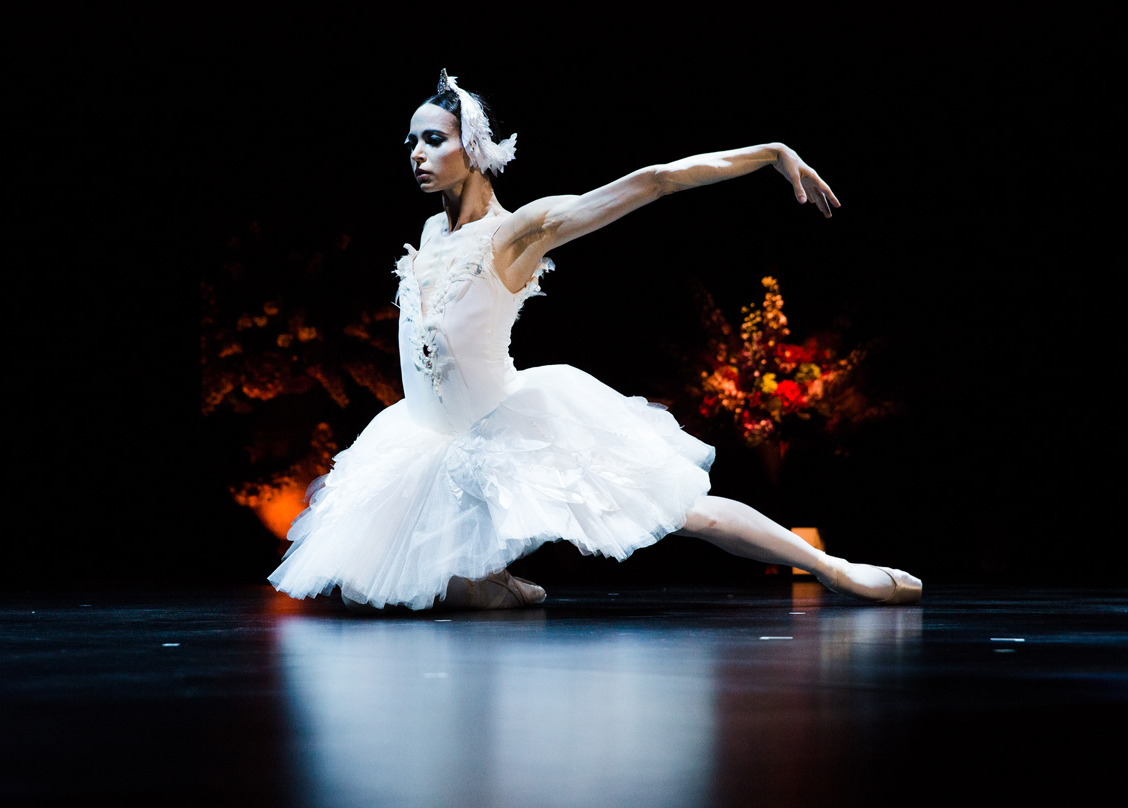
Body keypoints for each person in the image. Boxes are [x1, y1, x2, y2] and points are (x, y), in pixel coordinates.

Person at [268, 70, 921, 611]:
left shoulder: (518, 231)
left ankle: (832, 566)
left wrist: (768, 153)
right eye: (410, 139)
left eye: (433, 140)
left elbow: (656, 180)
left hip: (507, 426)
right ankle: (500, 587)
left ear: (472, 147)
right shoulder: (433, 233)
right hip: (426, 442)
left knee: (685, 512)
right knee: (366, 589)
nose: (416, 153)